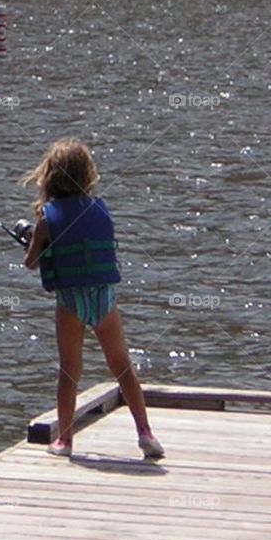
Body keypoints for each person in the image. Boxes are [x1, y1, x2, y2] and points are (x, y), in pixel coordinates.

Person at [21, 139, 164, 460]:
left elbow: (31, 263)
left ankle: (65, 440)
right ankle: (145, 432)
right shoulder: (100, 208)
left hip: (70, 299)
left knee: (69, 369)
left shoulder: (46, 217)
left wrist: (33, 240)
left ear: (50, 177)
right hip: (103, 297)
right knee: (122, 366)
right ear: (87, 176)